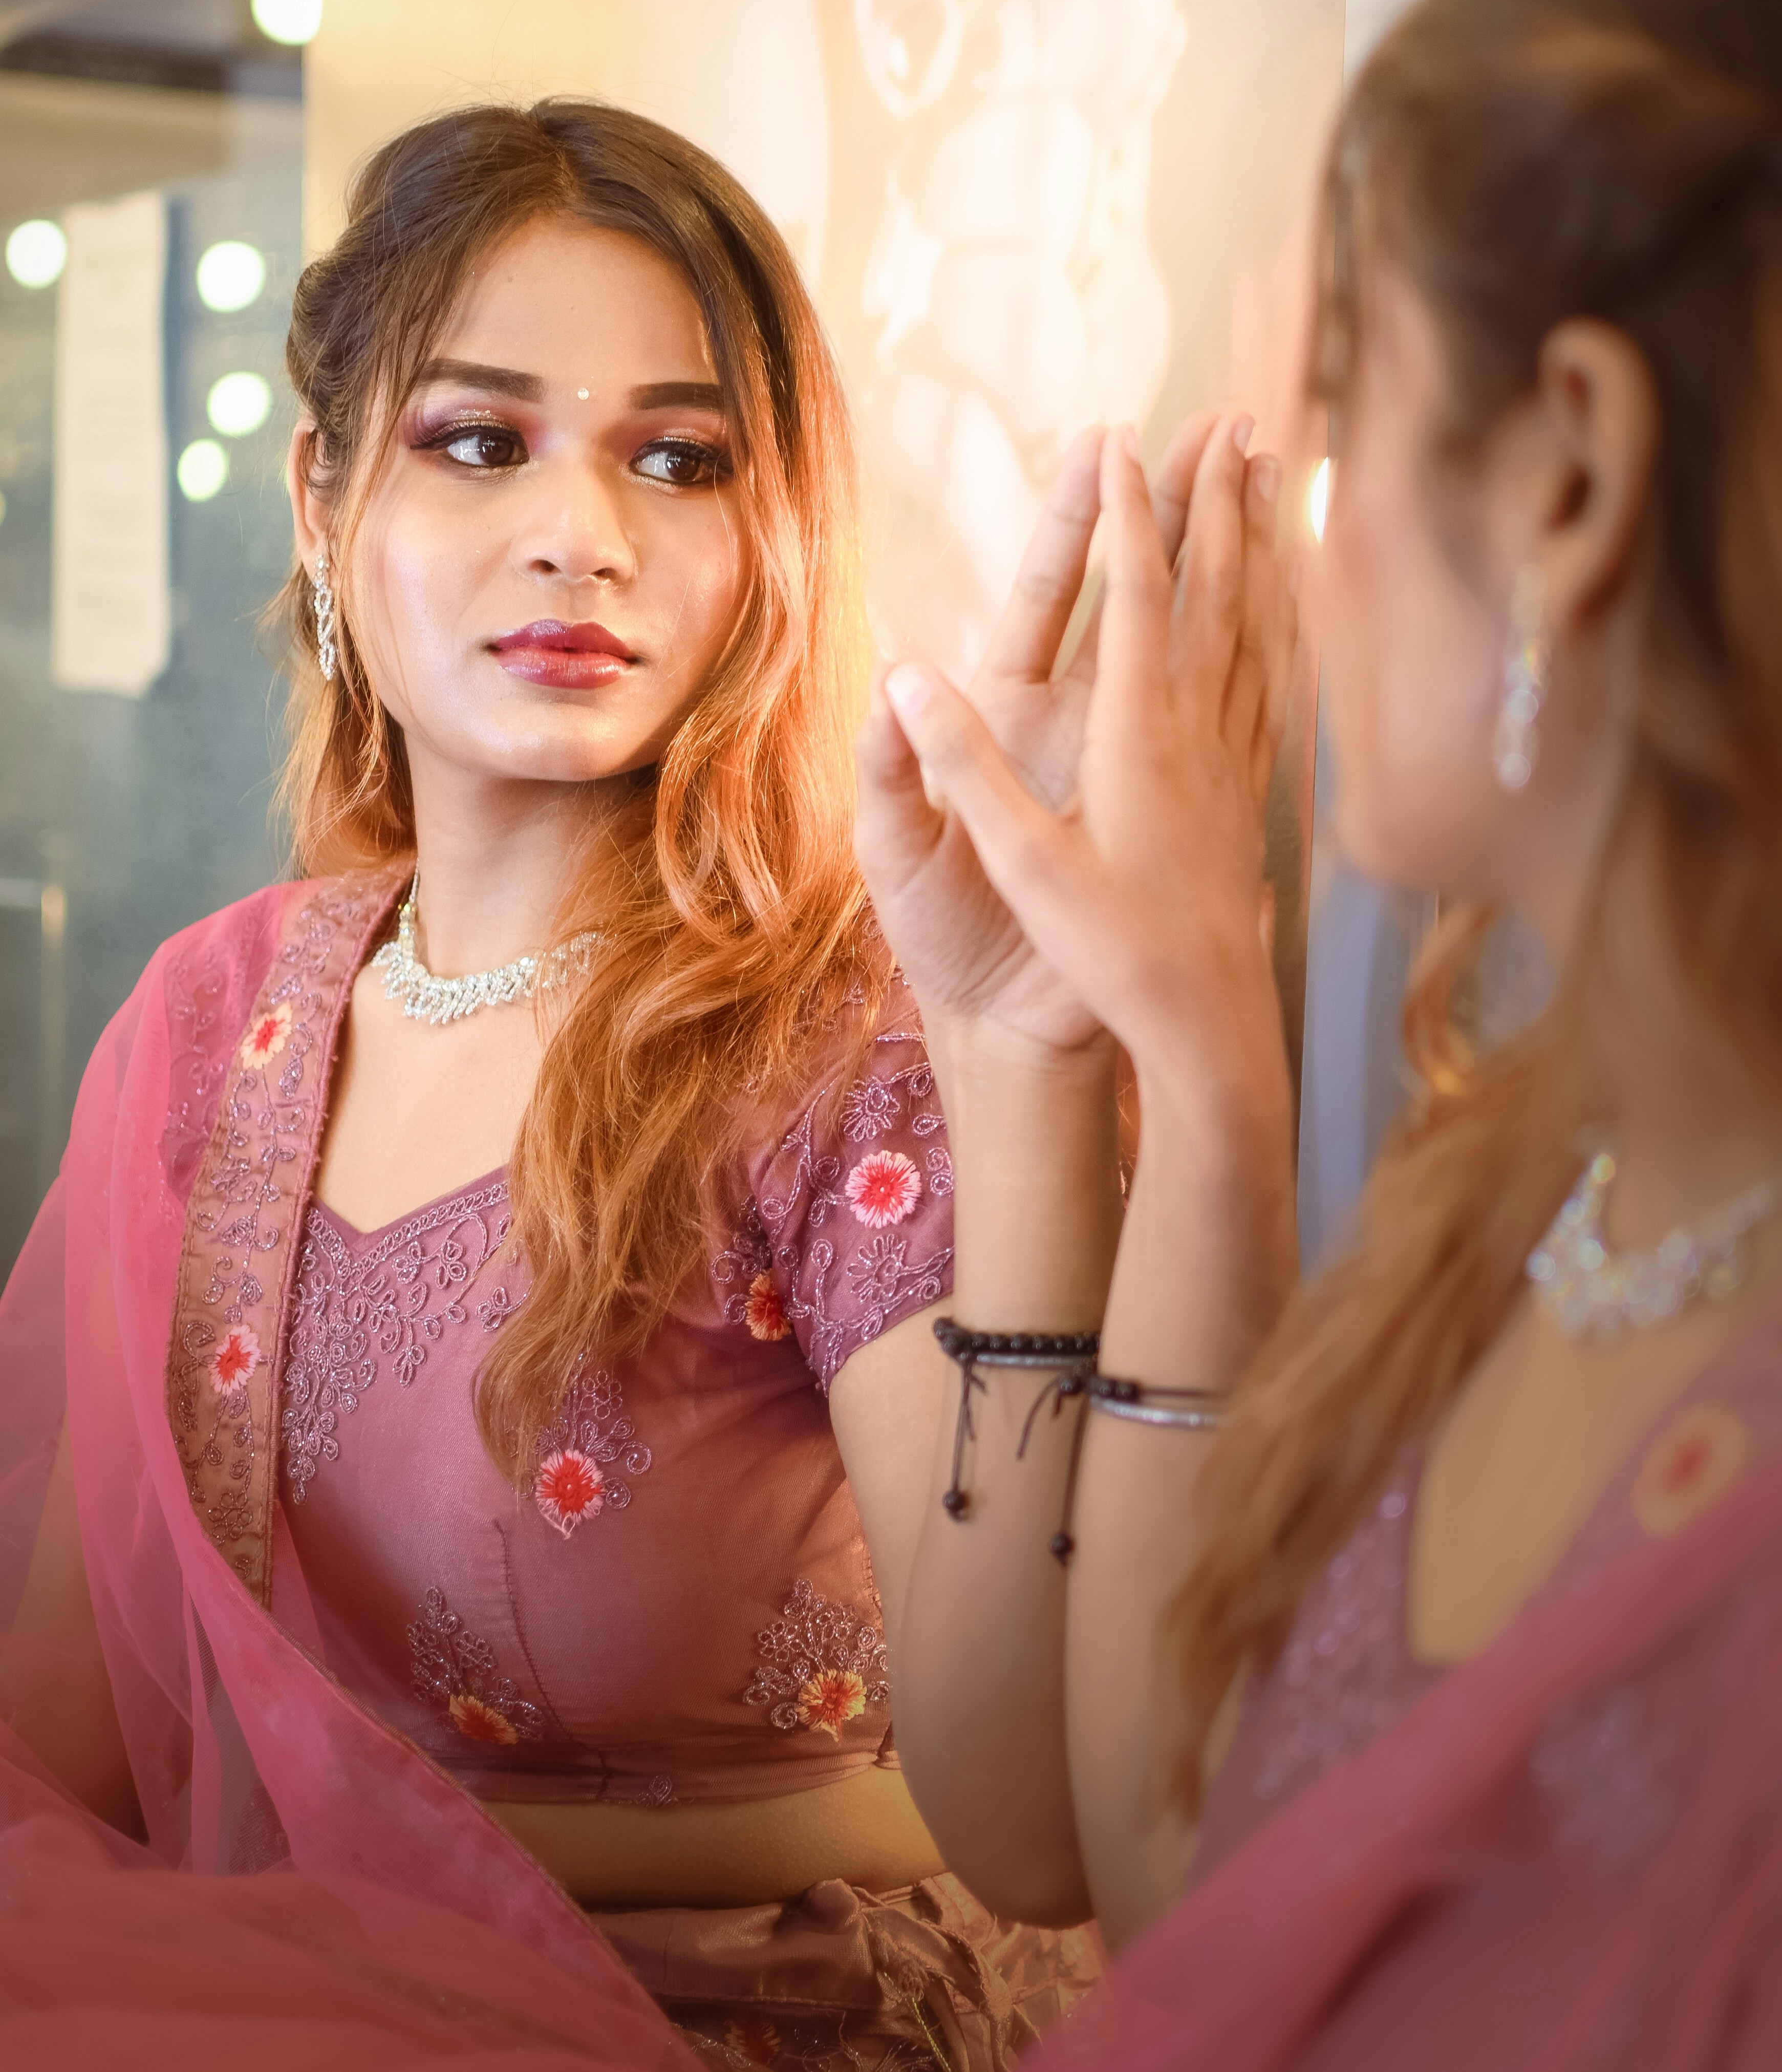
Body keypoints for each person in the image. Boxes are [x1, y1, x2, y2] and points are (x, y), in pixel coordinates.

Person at [854, 0, 1782, 2066]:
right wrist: (1121, 1053)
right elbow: (1156, 1870)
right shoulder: (1554, 1176)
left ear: (1568, 476)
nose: (1293, 520)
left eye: (1337, 395)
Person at [0, 99, 1097, 2068]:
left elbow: (1036, 1784)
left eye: (676, 458)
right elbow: (73, 1740)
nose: (582, 531)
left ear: (767, 533)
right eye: (480, 440)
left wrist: (398, 1874)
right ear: (328, 492)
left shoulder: (854, 1044)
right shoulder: (210, 1022)